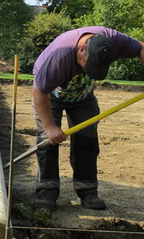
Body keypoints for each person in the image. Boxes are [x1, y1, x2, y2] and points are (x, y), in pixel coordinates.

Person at [32, 26, 144, 212]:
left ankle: (87, 190)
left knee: (87, 140)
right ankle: (47, 191)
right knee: (47, 140)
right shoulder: (60, 56)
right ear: (82, 48)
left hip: (83, 97)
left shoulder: (114, 41)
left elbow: (141, 47)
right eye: (87, 64)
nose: (89, 70)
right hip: (50, 96)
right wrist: (50, 126)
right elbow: (39, 91)